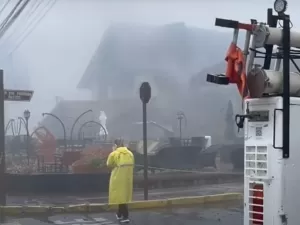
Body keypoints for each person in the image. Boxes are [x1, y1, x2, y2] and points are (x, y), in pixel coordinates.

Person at [107, 139, 134, 223]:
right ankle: (119, 214)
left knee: (120, 197)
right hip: (128, 179)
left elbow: (108, 164)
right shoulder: (130, 154)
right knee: (123, 197)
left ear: (115, 145)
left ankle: (125, 216)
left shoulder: (114, 154)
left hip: (117, 178)